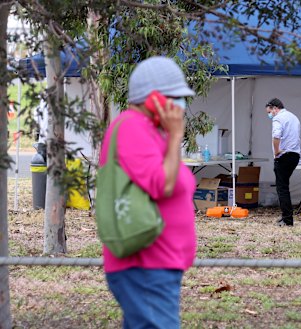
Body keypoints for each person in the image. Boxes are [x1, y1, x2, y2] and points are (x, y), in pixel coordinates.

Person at [98, 56, 196, 328]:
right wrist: (176, 136)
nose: (180, 106)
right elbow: (162, 184)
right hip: (145, 265)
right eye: (175, 98)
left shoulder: (152, 131)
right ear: (153, 99)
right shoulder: (132, 126)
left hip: (158, 265)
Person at [265, 98, 301, 227]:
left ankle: (287, 219)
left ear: (275, 108)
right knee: (284, 186)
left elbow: (276, 136)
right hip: (295, 155)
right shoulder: (294, 117)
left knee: (282, 188)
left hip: (284, 155)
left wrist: (276, 152)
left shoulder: (278, 118)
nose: (270, 115)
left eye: (270, 112)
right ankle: (286, 217)